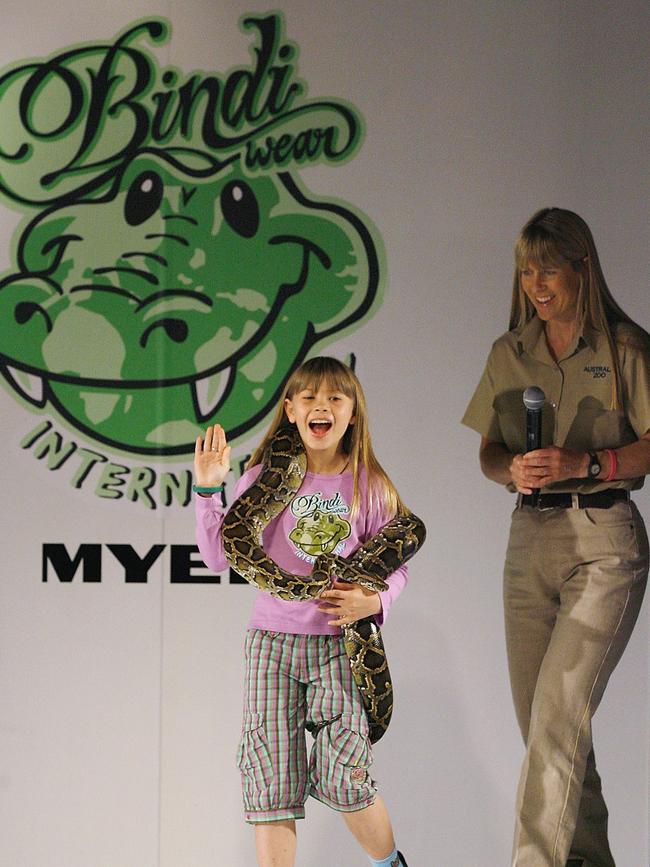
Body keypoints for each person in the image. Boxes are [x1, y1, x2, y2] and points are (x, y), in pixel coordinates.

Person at [462, 207, 650, 867]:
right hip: (530, 540)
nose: (537, 282)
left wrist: (587, 463)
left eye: (549, 267)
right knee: (548, 728)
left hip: (605, 541)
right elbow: (489, 451)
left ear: (581, 266)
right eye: (527, 269)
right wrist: (508, 468)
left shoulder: (625, 346)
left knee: (556, 722)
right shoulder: (509, 352)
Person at [194, 356, 410, 867]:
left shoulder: (370, 485)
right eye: (309, 397)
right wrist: (208, 489)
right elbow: (218, 554)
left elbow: (397, 565)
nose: (322, 406)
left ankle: (391, 865)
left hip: (340, 643)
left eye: (336, 397)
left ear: (353, 413)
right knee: (271, 781)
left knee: (348, 776)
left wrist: (375, 599)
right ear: (290, 411)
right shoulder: (264, 479)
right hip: (271, 643)